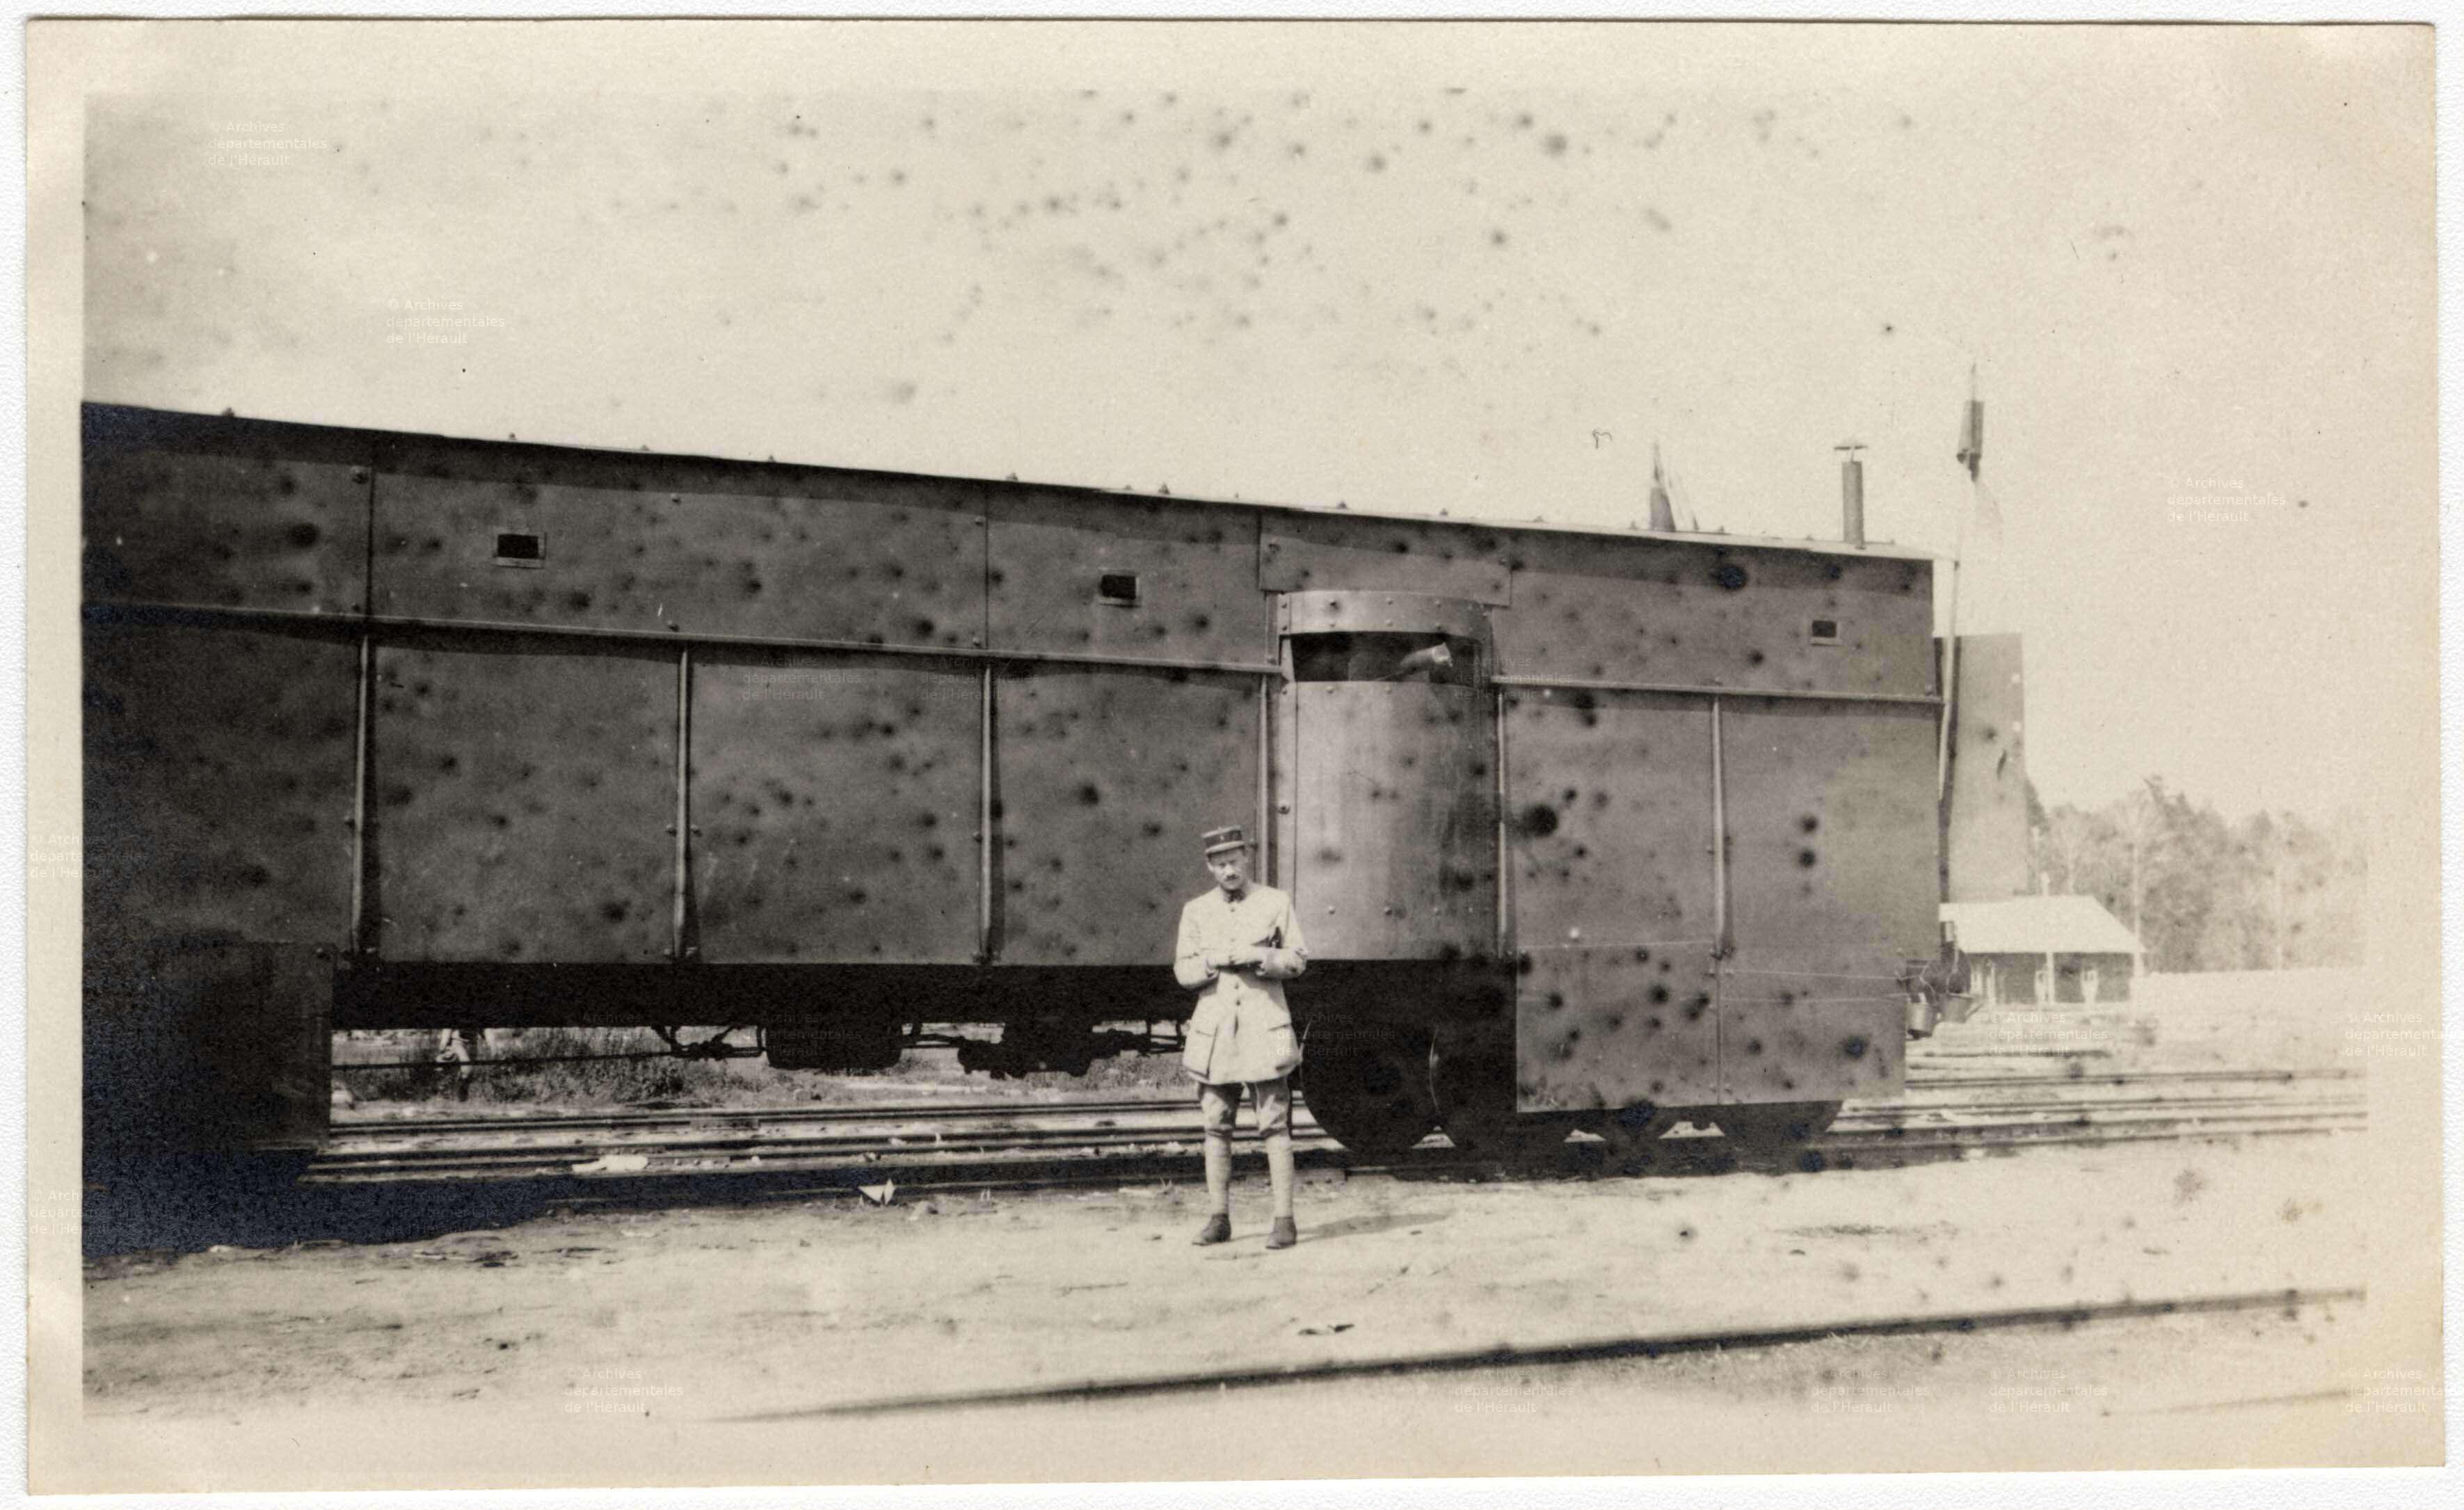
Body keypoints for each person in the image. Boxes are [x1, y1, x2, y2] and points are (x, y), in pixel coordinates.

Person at [1174, 824, 1309, 1249]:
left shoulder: (1275, 901)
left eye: (1234, 861)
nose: (1229, 870)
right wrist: (1212, 962)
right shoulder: (1195, 910)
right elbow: (1183, 971)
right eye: (1220, 864)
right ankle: (1219, 1220)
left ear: (1246, 858)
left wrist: (1260, 956)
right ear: (1210, 867)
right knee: (1216, 1124)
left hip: (1268, 1028)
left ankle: (1284, 1221)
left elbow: (1299, 960)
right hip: (1214, 1033)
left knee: (1276, 1122)